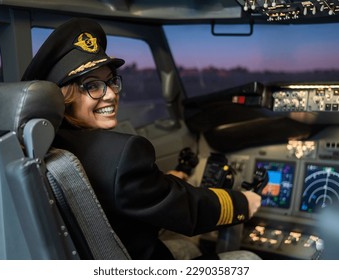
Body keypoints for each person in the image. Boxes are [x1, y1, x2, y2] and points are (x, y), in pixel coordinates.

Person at [21, 17, 262, 260]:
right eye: (92, 86)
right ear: (64, 97)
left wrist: (162, 183)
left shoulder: (40, 145)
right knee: (249, 260)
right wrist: (242, 202)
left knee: (187, 248)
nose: (111, 94)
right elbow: (190, 209)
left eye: (111, 81)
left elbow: (131, 195)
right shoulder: (121, 153)